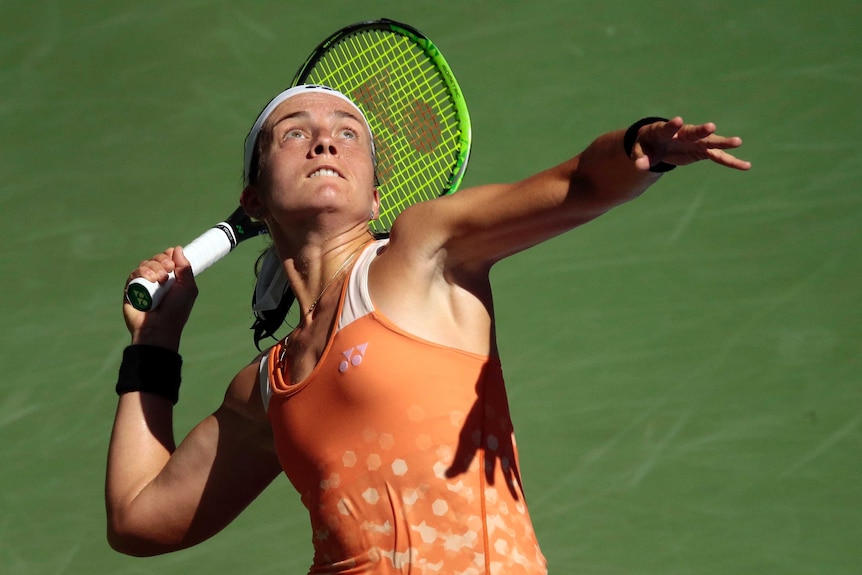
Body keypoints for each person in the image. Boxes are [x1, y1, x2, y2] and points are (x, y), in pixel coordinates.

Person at [106, 84, 750, 574]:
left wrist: (639, 147)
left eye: (348, 133)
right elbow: (139, 519)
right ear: (253, 199)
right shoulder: (265, 389)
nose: (324, 141)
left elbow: (580, 181)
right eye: (293, 134)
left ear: (377, 198)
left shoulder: (422, 251)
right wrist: (154, 346)